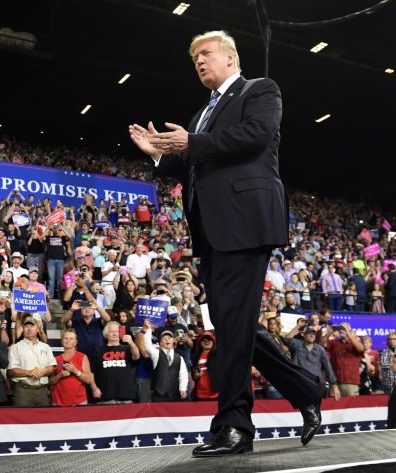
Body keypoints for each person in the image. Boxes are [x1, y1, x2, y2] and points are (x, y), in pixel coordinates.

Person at [129, 30, 325, 456]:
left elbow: (255, 136)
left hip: (246, 223)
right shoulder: (202, 112)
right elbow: (194, 166)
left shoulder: (260, 90)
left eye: (206, 53)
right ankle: (307, 389)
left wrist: (191, 142)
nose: (199, 61)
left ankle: (235, 425)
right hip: (212, 230)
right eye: (194, 57)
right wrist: (159, 154)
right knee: (232, 326)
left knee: (232, 326)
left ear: (231, 58)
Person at [7, 315, 57, 407]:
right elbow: (12, 370)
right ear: (23, 329)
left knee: (43, 419)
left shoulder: (45, 347)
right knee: (22, 419)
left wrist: (43, 371)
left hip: (42, 390)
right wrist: (30, 372)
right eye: (26, 326)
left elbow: (52, 367)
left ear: (38, 329)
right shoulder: (16, 347)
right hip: (23, 391)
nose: (29, 329)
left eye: (32, 326)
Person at [138, 320, 189, 402]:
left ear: (173, 341)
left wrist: (183, 389)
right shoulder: (156, 354)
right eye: (164, 339)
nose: (167, 340)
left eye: (169, 338)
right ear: (160, 343)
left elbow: (183, 375)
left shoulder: (180, 358)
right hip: (158, 396)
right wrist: (149, 329)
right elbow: (148, 346)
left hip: (174, 395)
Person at [90, 321, 140, 404]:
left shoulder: (127, 348)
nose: (114, 334)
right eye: (111, 332)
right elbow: (91, 372)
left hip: (126, 395)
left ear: (120, 333)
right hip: (105, 395)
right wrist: (94, 388)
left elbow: (137, 356)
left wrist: (131, 342)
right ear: (106, 334)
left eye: (117, 332)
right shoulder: (98, 351)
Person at [50, 328, 96, 406]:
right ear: (62, 341)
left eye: (71, 339)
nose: (68, 341)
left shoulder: (82, 357)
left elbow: (88, 380)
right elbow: (51, 382)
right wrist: (60, 375)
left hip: (79, 401)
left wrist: (75, 371)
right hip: (59, 402)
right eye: (66, 338)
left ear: (75, 342)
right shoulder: (56, 359)